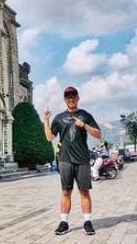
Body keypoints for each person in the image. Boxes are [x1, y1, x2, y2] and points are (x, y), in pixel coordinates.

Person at [43, 86, 102, 236]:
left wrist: (84, 125)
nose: (71, 98)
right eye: (68, 96)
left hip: (82, 159)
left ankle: (87, 222)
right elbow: (50, 137)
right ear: (64, 99)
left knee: (84, 191)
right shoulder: (59, 118)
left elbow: (98, 134)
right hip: (65, 160)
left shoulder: (85, 115)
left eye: (73, 95)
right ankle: (64, 222)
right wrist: (46, 120)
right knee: (65, 192)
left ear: (78, 97)